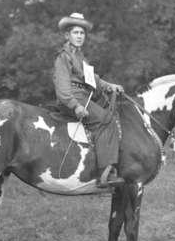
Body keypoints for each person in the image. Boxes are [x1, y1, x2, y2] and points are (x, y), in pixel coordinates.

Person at [53, 13, 124, 187]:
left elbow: (94, 80)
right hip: (73, 98)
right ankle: (105, 174)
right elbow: (62, 88)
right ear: (67, 35)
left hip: (85, 96)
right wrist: (75, 106)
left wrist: (110, 86)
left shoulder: (82, 58)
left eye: (82, 33)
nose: (79, 36)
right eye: (75, 32)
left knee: (110, 112)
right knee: (105, 120)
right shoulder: (63, 57)